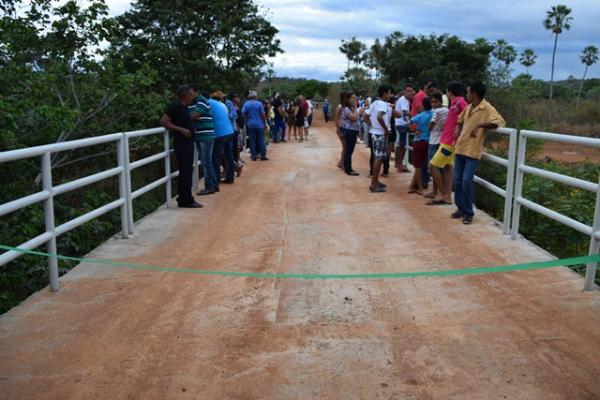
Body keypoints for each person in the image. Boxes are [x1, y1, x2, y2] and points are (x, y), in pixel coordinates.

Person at [452, 81, 505, 225]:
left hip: (473, 150)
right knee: (457, 181)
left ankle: (469, 212)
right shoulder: (469, 107)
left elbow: (500, 121)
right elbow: (459, 118)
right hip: (461, 147)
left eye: (468, 92)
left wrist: (480, 125)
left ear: (474, 93)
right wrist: (458, 127)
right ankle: (461, 208)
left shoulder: (487, 108)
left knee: (466, 181)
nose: (467, 94)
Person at [159, 85, 202, 208]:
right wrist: (182, 130)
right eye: (191, 95)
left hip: (187, 143)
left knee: (187, 171)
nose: (193, 97)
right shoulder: (175, 106)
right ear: (186, 96)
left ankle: (184, 198)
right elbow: (164, 121)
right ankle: (186, 200)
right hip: (182, 144)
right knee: (185, 171)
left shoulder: (185, 107)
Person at [429, 82, 467, 205]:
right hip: (447, 140)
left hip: (449, 142)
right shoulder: (454, 103)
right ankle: (448, 196)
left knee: (433, 166)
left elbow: (468, 114)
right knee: (447, 168)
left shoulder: (460, 102)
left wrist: (458, 126)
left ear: (449, 91)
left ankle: (442, 194)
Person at [189, 87, 218, 195]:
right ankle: (214, 185)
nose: (190, 95)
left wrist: (182, 117)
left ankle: (209, 186)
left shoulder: (202, 101)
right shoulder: (192, 103)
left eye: (191, 92)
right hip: (199, 136)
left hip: (206, 136)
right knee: (207, 162)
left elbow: (195, 116)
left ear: (196, 92)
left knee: (206, 162)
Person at [424, 90, 448, 201]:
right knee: (438, 168)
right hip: (442, 140)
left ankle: (440, 192)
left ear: (440, 101)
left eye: (435, 102)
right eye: (432, 102)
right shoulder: (447, 110)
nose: (433, 104)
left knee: (433, 167)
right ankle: (435, 191)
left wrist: (427, 128)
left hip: (434, 141)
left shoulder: (436, 111)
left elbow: (431, 126)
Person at [368, 85, 393, 193]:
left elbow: (364, 115)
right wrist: (385, 129)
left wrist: (372, 126)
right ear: (384, 94)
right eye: (389, 93)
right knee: (379, 158)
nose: (390, 95)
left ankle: (376, 181)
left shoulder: (374, 103)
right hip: (380, 134)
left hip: (374, 133)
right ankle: (374, 184)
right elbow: (379, 117)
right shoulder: (383, 104)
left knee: (377, 157)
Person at [209, 91, 236, 184]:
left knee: (215, 157)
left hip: (220, 133)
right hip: (229, 131)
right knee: (229, 156)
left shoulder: (209, 103)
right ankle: (230, 177)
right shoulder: (223, 105)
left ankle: (216, 180)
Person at [408, 97, 433, 195]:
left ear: (423, 106)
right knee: (421, 166)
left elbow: (409, 122)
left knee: (418, 166)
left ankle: (416, 187)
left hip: (418, 141)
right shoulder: (433, 114)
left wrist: (414, 131)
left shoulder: (420, 116)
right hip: (427, 142)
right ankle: (416, 187)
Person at [242, 91, 268, 161]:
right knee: (261, 139)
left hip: (250, 124)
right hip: (259, 124)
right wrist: (264, 124)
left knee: (252, 140)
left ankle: (254, 156)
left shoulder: (246, 104)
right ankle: (263, 155)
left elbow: (243, 113)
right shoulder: (259, 104)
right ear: (255, 96)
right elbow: (263, 115)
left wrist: (247, 118)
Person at [394, 85, 414, 173]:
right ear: (404, 91)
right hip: (401, 124)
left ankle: (398, 163)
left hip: (401, 124)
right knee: (402, 145)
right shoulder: (403, 100)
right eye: (408, 91)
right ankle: (400, 165)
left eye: (411, 91)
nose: (409, 93)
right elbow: (405, 113)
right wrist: (416, 115)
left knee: (401, 145)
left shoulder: (405, 100)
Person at [340, 92, 360, 176]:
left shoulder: (351, 108)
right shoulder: (347, 109)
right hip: (349, 131)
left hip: (352, 131)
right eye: (353, 98)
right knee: (349, 150)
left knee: (349, 150)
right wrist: (357, 109)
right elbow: (353, 118)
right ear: (348, 99)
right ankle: (348, 169)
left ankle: (347, 167)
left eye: (355, 98)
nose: (355, 99)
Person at [227, 93, 244, 177]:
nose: (239, 98)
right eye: (237, 97)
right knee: (232, 149)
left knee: (232, 149)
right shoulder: (232, 106)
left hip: (233, 131)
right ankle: (236, 165)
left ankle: (235, 165)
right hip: (233, 130)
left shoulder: (234, 106)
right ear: (233, 98)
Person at [334, 91, 347, 169]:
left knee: (345, 147)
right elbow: (336, 119)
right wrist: (338, 129)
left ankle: (341, 162)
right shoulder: (340, 107)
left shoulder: (346, 106)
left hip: (345, 128)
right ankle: (341, 163)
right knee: (345, 147)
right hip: (341, 128)